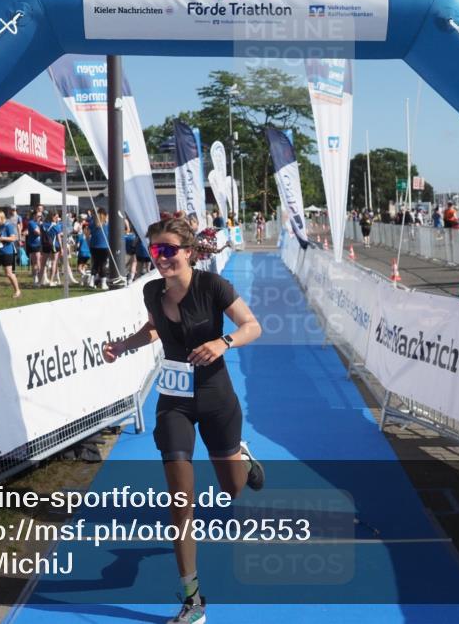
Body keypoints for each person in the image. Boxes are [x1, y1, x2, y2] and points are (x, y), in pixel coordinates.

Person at [102, 216, 264, 624]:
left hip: (216, 398)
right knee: (179, 503)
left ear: (189, 252)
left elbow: (252, 326)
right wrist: (123, 345)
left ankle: (241, 458)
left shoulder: (213, 287)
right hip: (174, 400)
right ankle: (193, 601)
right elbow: (154, 330)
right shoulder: (152, 291)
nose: (161, 258)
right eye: (155, 250)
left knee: (233, 490)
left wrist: (222, 342)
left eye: (169, 250)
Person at [0, 210, 21, 299]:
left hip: (7, 253)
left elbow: (14, 238)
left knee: (8, 273)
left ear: (2, 218)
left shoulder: (8, 226)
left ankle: (17, 290)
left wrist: (3, 238)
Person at [90, 208, 111, 290]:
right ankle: (103, 283)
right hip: (104, 247)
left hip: (94, 246)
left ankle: (91, 281)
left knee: (95, 264)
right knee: (103, 265)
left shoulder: (92, 223)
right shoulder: (107, 225)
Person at [26, 210, 43, 287]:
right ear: (34, 216)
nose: (40, 217)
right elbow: (38, 232)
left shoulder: (39, 223)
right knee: (36, 262)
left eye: (41, 216)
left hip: (39, 244)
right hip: (33, 244)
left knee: (39, 261)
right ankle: (36, 277)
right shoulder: (31, 223)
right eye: (39, 216)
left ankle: (39, 277)